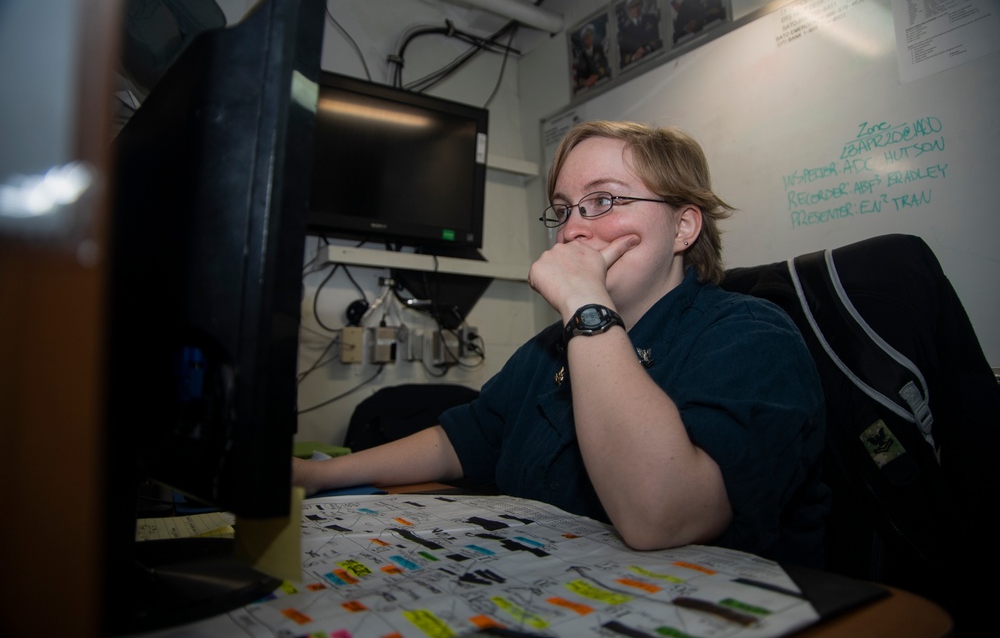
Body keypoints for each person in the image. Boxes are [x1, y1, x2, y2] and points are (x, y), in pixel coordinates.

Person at [293, 120, 830, 567]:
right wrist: (320, 474)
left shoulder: (751, 335)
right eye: (564, 208)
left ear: (684, 227)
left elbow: (660, 516)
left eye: (603, 200)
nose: (573, 229)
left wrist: (584, 305)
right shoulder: (552, 348)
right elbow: (465, 438)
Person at [618, 0, 663, 68]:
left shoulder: (651, 19)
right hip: (637, 68)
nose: (636, 8)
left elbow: (659, 39)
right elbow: (622, 59)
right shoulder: (625, 32)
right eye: (633, 7)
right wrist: (634, 56)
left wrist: (646, 49)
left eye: (638, 5)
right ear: (629, 10)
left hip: (655, 59)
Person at [573, 23, 609, 92]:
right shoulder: (582, 56)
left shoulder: (598, 48)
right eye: (586, 38)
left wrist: (596, 77)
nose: (588, 39)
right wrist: (586, 82)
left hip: (602, 80)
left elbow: (604, 63)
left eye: (590, 36)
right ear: (583, 40)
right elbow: (580, 77)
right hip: (590, 87)